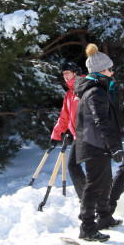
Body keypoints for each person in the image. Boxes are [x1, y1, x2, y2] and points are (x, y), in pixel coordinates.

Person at [74, 43, 124, 241]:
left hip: (97, 144)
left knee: (105, 182)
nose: (112, 72)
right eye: (110, 69)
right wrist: (114, 147)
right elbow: (101, 121)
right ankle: (87, 227)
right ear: (100, 71)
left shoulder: (97, 89)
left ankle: (104, 217)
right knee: (94, 185)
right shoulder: (96, 92)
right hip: (94, 145)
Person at [49, 61, 87, 200]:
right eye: (63, 73)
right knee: (73, 166)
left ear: (75, 73)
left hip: (90, 135)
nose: (65, 75)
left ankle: (101, 198)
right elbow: (64, 117)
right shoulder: (69, 94)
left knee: (94, 169)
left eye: (67, 72)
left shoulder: (84, 88)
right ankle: (85, 198)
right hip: (78, 136)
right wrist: (56, 135)